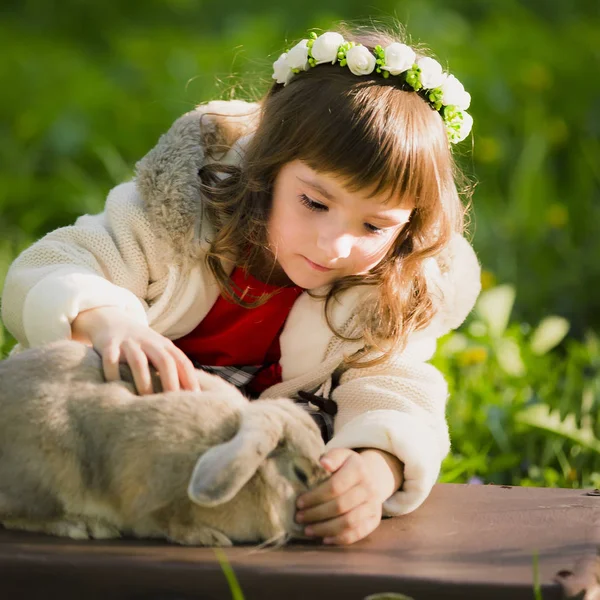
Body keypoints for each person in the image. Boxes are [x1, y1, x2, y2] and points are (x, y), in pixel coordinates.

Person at [1, 23, 481, 546]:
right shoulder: (178, 216)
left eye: (373, 226)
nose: (335, 246)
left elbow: (400, 390)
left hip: (236, 479)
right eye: (315, 203)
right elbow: (56, 263)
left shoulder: (385, 288)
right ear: (268, 168)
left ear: (407, 226)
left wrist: (376, 465)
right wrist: (104, 319)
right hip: (115, 444)